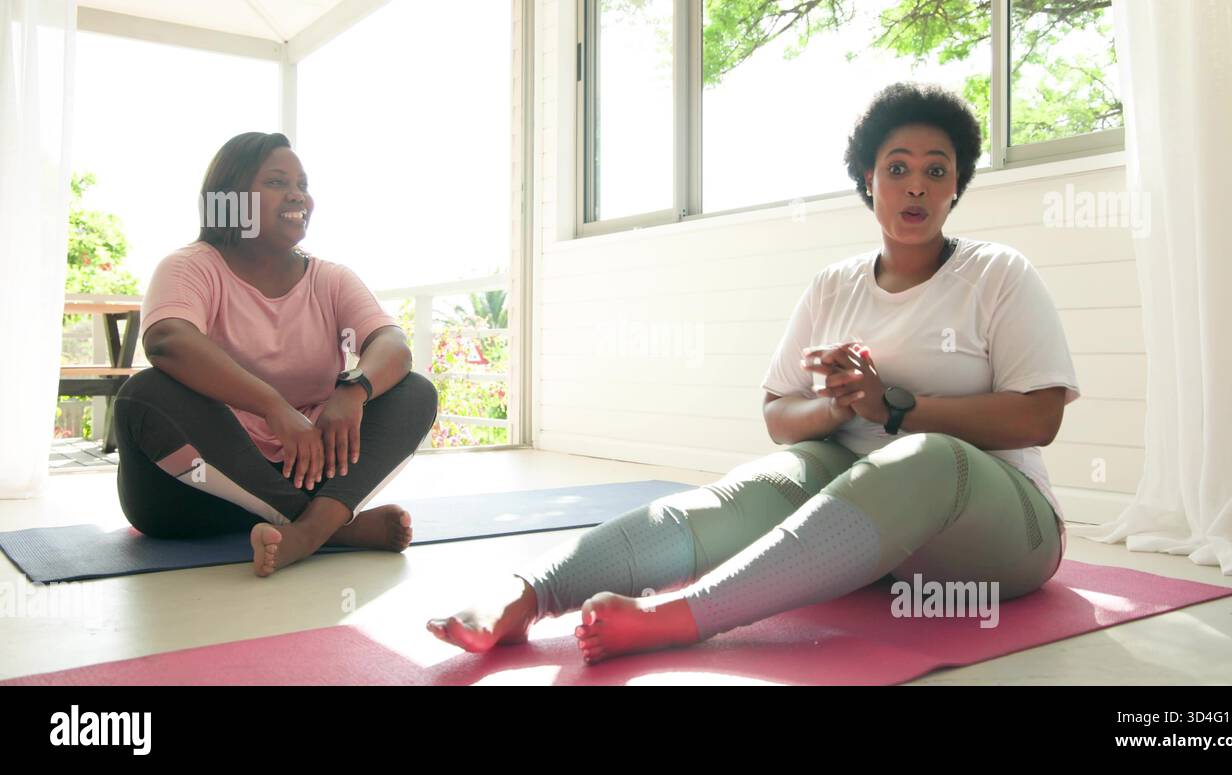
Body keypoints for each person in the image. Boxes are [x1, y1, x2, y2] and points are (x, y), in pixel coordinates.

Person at [427, 82, 1079, 664]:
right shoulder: (835, 285)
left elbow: (1039, 416)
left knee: (924, 455)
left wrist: (898, 408)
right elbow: (777, 414)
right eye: (898, 168)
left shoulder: (998, 273)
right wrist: (840, 404)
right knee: (760, 485)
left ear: (955, 186)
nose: (916, 186)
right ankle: (525, 596)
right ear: (868, 179)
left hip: (1000, 534)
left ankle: (679, 617)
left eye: (936, 171)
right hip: (877, 535)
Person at [114, 132, 437, 577]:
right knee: (143, 394)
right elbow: (167, 340)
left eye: (302, 184)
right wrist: (274, 407)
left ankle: (305, 530)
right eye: (276, 182)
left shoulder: (332, 279)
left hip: (305, 469)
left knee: (414, 391)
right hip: (192, 492)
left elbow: (392, 346)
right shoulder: (190, 267)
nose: (297, 195)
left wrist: (354, 389)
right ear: (230, 199)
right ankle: (332, 527)